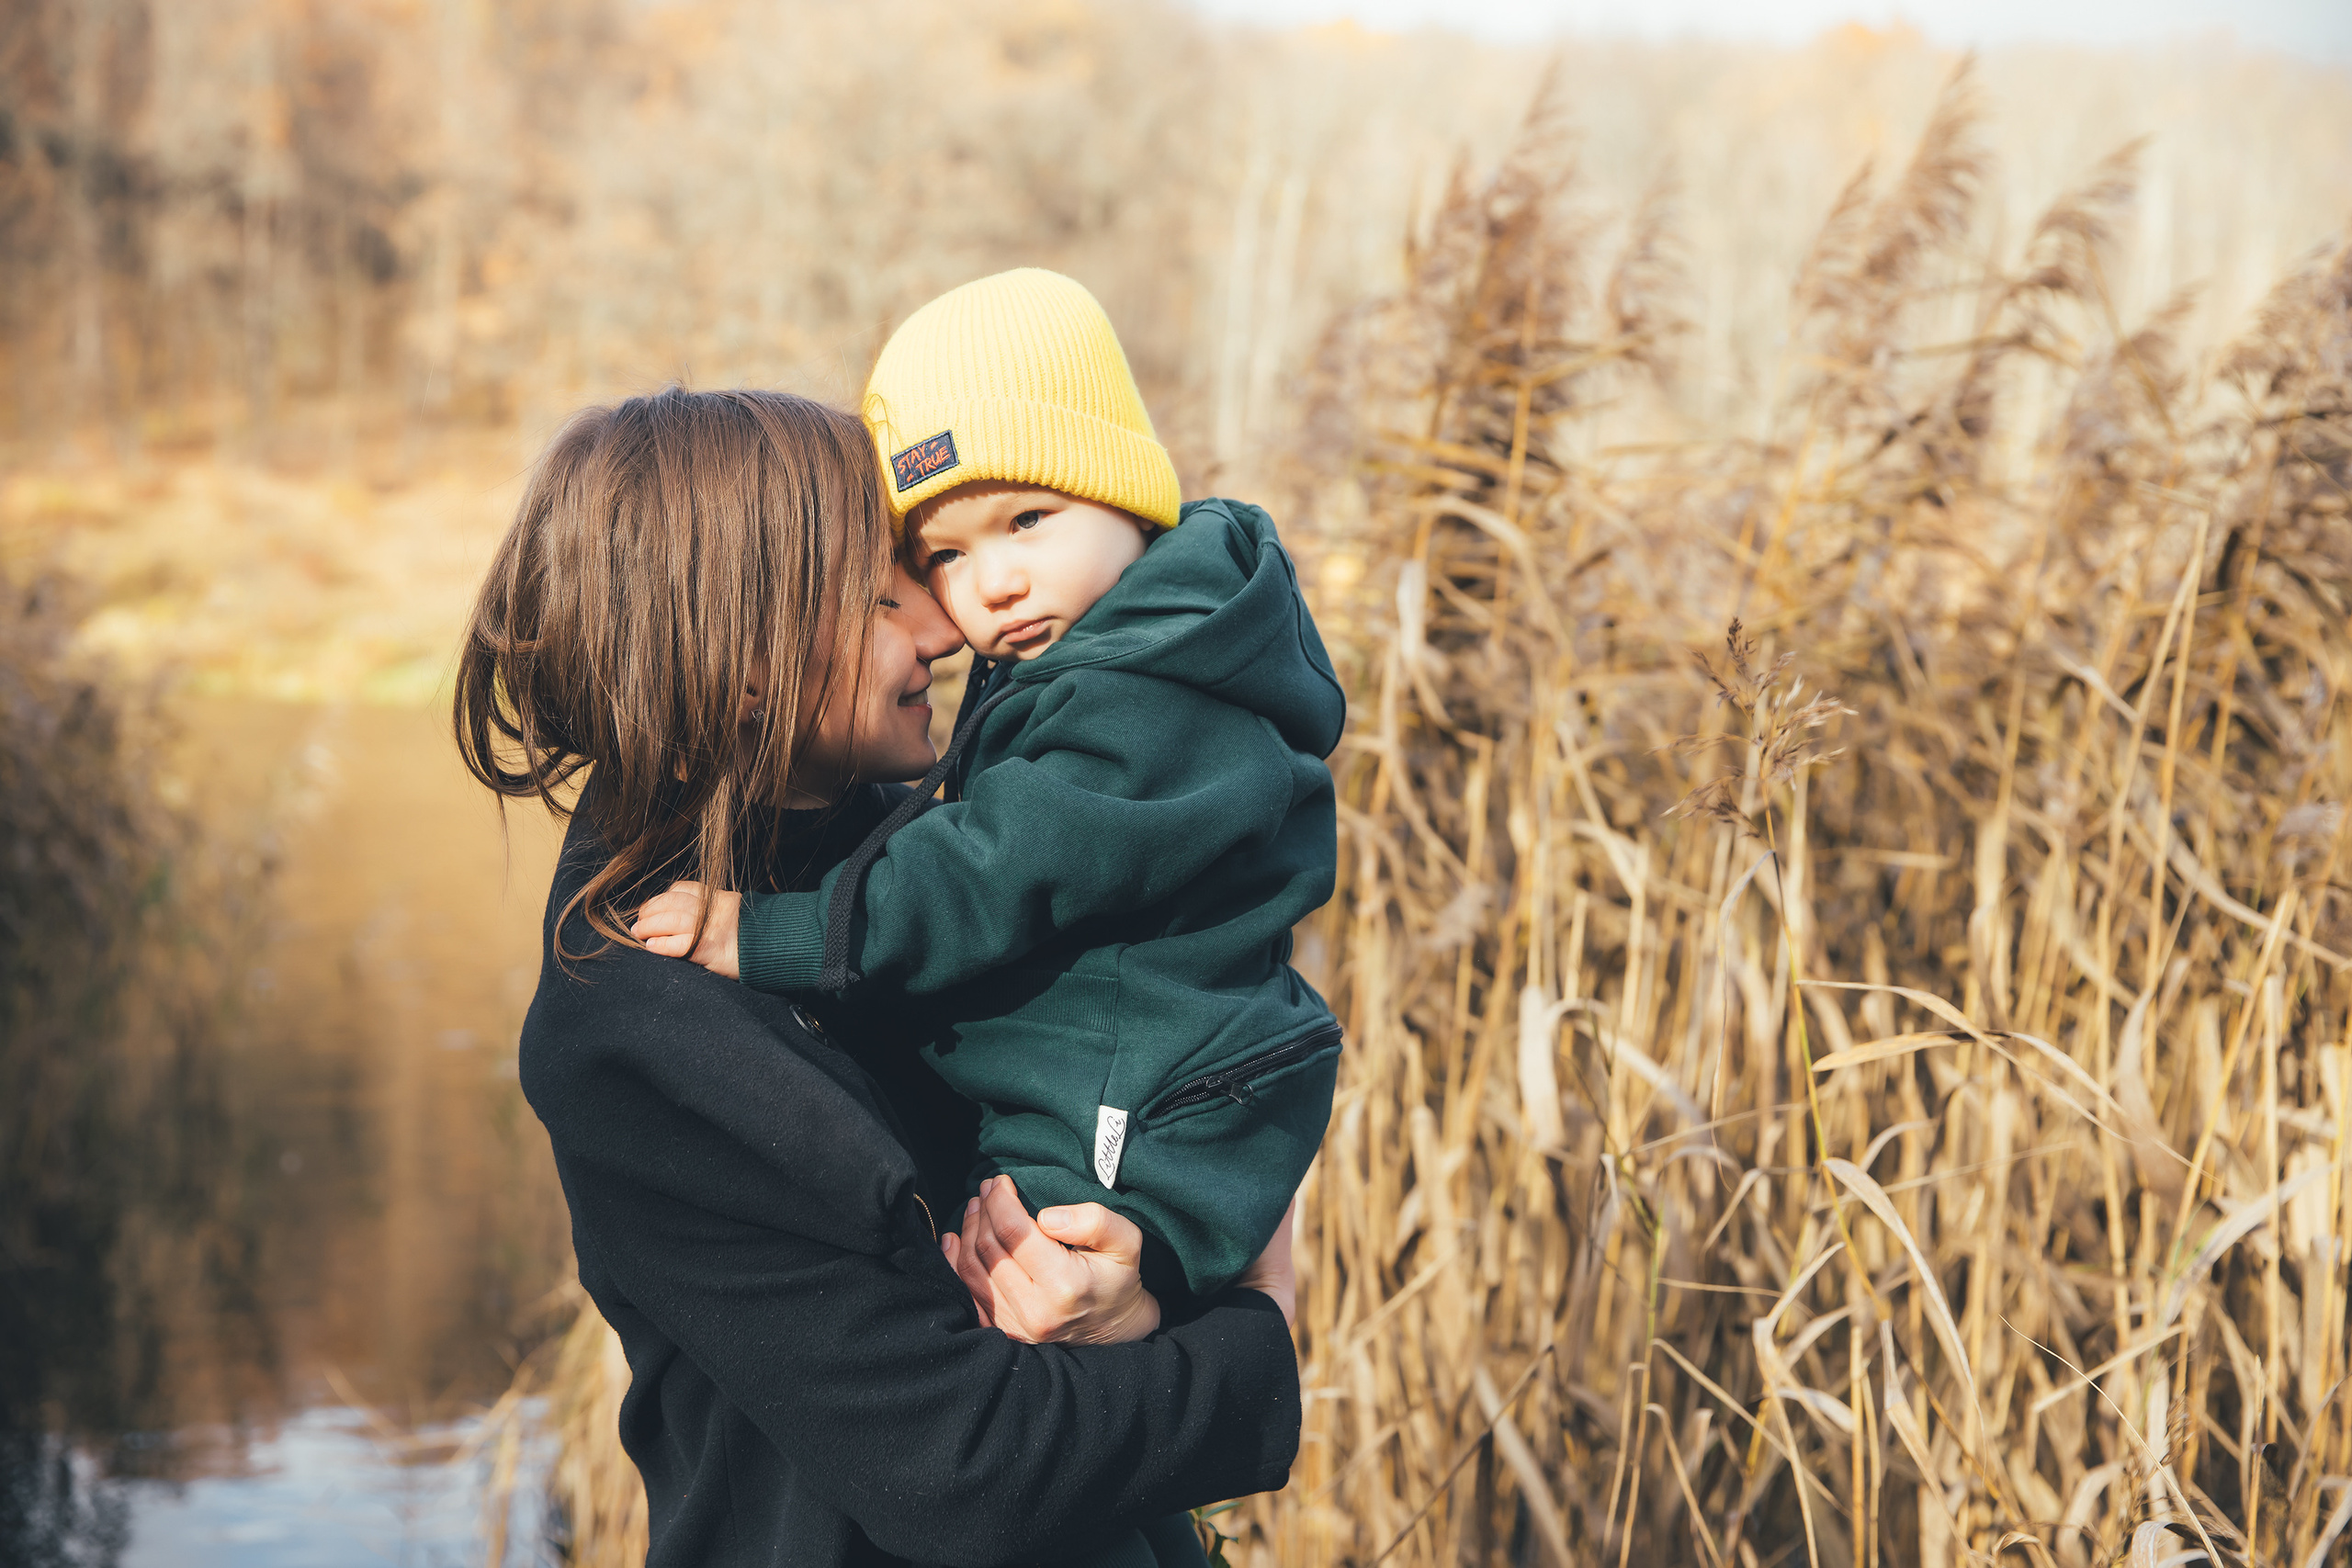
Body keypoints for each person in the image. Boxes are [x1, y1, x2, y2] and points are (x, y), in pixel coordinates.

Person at [455, 387, 1302, 1568]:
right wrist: (1258, 1326)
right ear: (742, 661)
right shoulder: (644, 1037)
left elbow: (1184, 1019)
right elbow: (967, 1469)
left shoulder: (919, 855)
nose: (948, 630)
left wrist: (1152, 1283)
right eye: (884, 593)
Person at [632, 269, 1344, 1299]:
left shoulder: (1144, 701)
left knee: (1033, 1302)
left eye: (1028, 519)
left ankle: (1150, 1327)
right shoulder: (1114, 653)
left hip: (1141, 1100)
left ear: (1125, 495)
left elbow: (987, 866)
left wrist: (769, 934)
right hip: (1120, 1069)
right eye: (946, 555)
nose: (994, 584)